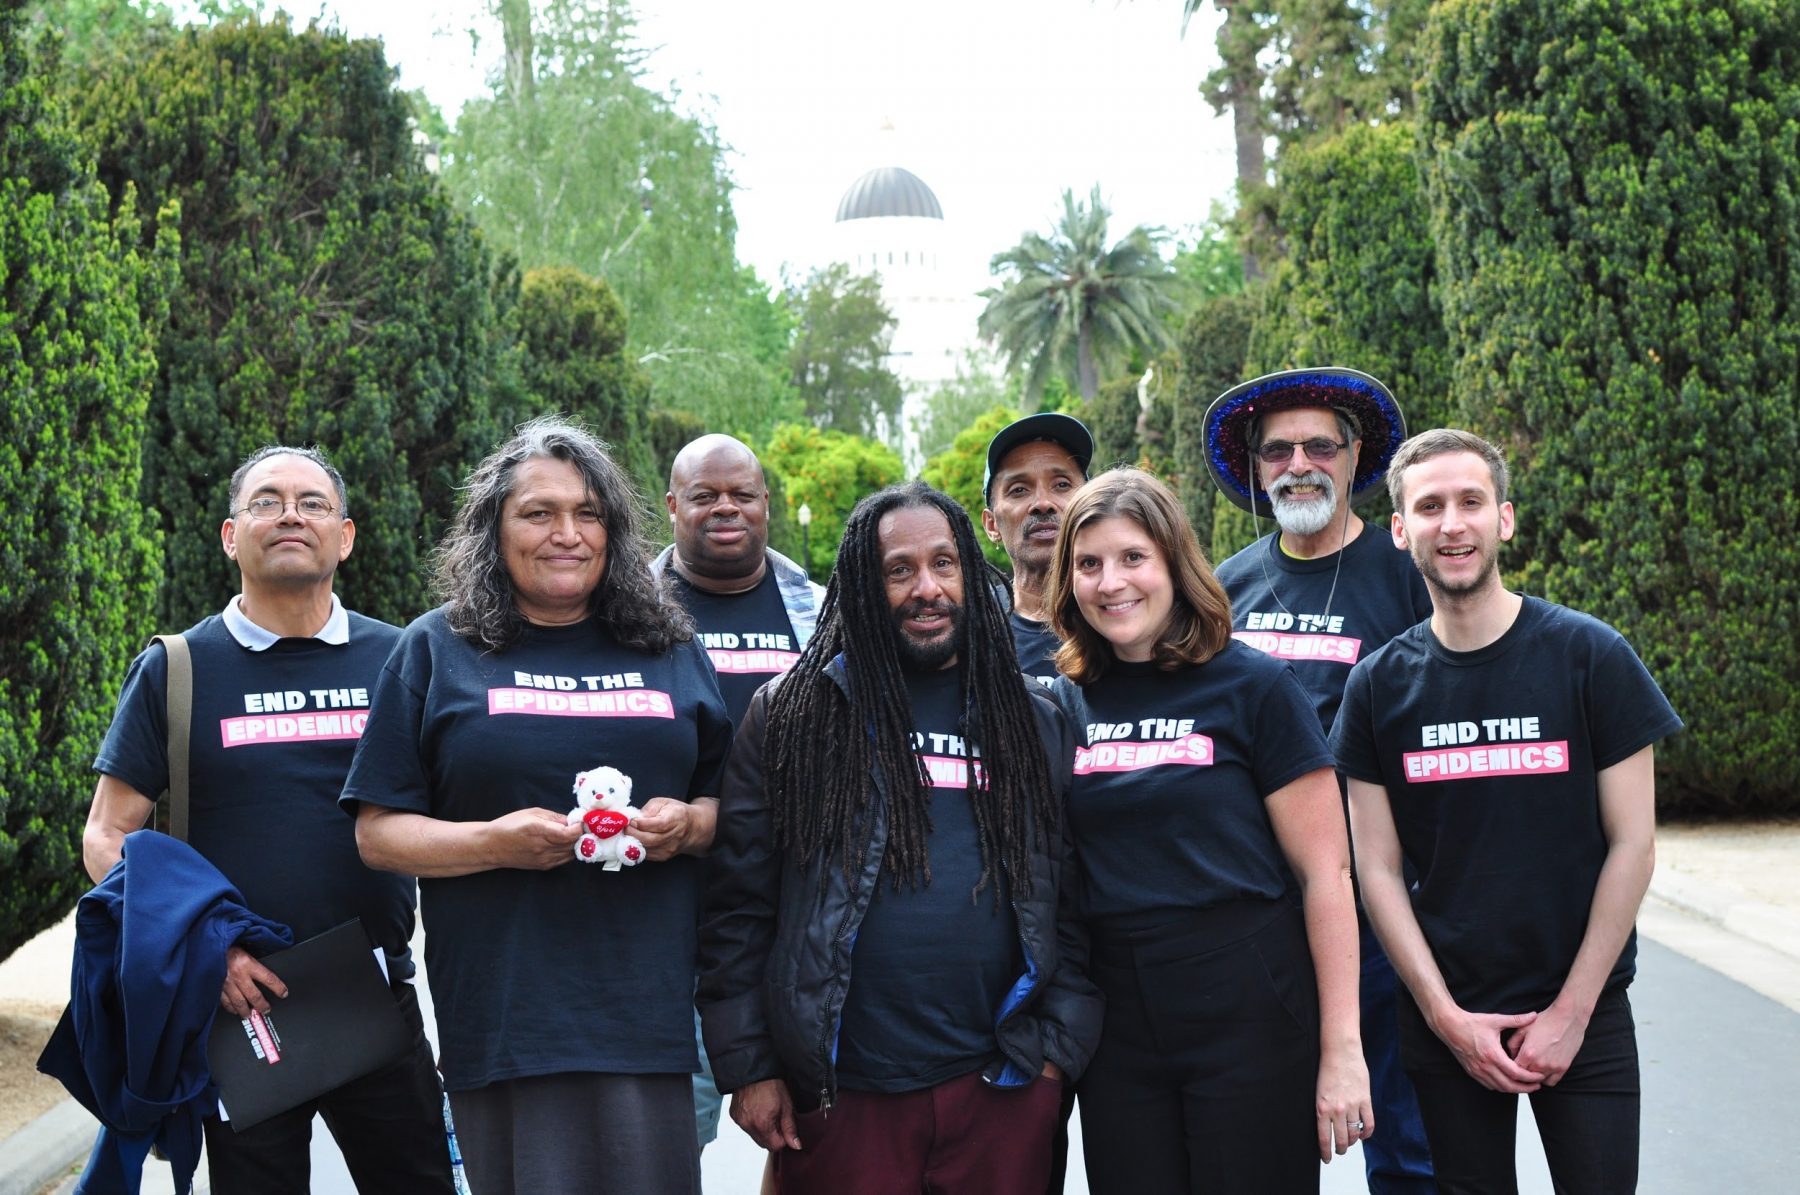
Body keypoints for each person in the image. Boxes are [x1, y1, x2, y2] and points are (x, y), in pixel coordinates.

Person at [341, 417, 732, 1195]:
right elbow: (378, 835)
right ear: (494, 527)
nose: (568, 533)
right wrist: (494, 841)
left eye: (589, 513)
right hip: (507, 1014)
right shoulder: (435, 648)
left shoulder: (669, 646)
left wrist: (687, 826)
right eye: (539, 512)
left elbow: (730, 805)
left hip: (649, 1013)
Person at [698, 482, 1102, 1195]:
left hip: (1000, 1088)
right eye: (899, 570)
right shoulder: (791, 715)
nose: (927, 588)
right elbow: (737, 907)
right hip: (843, 1097)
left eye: (945, 564)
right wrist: (751, 1066)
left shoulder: (1033, 717)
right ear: (861, 581)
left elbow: (1069, 897)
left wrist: (1055, 1059)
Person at [83, 445, 453, 1194]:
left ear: (344, 536)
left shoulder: (404, 658)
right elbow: (106, 833)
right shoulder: (177, 667)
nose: (290, 512)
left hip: (374, 998)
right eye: (266, 500)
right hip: (239, 1007)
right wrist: (201, 949)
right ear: (230, 534)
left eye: (312, 502)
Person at [1332, 430, 1682, 1193]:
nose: (1451, 523)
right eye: (1429, 506)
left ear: (1505, 519)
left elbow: (1634, 846)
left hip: (1585, 1016)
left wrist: (1572, 1011)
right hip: (1448, 1020)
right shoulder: (1377, 687)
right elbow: (1377, 869)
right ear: (1400, 530)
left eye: (1470, 502)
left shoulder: (1591, 657)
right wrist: (1443, 1015)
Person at [1045, 467, 1370, 1193]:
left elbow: (1329, 874)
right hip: (1120, 1020)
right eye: (1089, 563)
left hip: (1248, 999)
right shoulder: (1065, 702)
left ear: (1173, 564)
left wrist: (1342, 1047)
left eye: (1133, 557)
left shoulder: (1254, 685)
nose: (1110, 582)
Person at [1204, 367, 1437, 1193]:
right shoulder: (1223, 588)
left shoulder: (1408, 576)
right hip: (1254, 912)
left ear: (1354, 454)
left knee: (1406, 1138)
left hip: (1378, 907)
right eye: (1278, 451)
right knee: (1258, 1135)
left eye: (1318, 446)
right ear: (1256, 470)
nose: (1298, 463)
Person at [651, 433, 825, 1153]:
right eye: (704, 495)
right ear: (671, 507)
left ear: (766, 504)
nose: (726, 507)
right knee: (663, 1148)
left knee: (812, 1143)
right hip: (665, 929)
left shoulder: (822, 615)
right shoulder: (621, 617)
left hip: (793, 924)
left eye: (742, 494)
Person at [981, 412, 1095, 684]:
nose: (1043, 503)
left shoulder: (1129, 614)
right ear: (991, 525)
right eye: (1019, 490)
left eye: (1062, 485)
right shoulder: (970, 628)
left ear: (1092, 506)